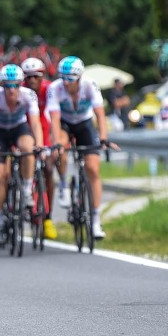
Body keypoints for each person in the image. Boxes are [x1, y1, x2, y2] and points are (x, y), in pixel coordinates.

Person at [47, 56, 118, 240]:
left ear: (79, 77)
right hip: (64, 123)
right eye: (63, 77)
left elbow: (100, 115)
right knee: (60, 148)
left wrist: (103, 138)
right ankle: (63, 183)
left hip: (85, 123)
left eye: (70, 78)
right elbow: (54, 119)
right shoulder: (55, 89)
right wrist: (56, 144)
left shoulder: (90, 85)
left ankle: (95, 220)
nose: (66, 82)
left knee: (93, 169)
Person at [0, 65, 43, 244]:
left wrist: (39, 144)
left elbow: (35, 123)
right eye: (7, 86)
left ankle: (26, 188)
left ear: (21, 84)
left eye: (15, 85)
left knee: (28, 147)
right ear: (2, 85)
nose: (12, 90)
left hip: (18, 128)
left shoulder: (28, 95)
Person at [20, 57, 58, 240]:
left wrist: (51, 143)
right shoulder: (18, 89)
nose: (32, 80)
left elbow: (53, 116)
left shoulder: (49, 90)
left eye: (36, 76)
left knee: (49, 169)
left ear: (42, 76)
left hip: (44, 130)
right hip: (23, 131)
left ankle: (48, 218)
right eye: (28, 77)